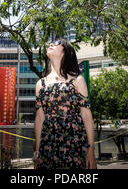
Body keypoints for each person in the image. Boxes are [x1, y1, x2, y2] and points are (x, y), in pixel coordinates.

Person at [33, 38, 97, 169]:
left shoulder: (77, 81)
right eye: (50, 42)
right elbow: (40, 119)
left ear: (65, 51)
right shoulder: (40, 84)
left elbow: (86, 116)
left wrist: (91, 149)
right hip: (48, 147)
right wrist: (37, 151)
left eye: (56, 43)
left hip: (76, 145)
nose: (51, 44)